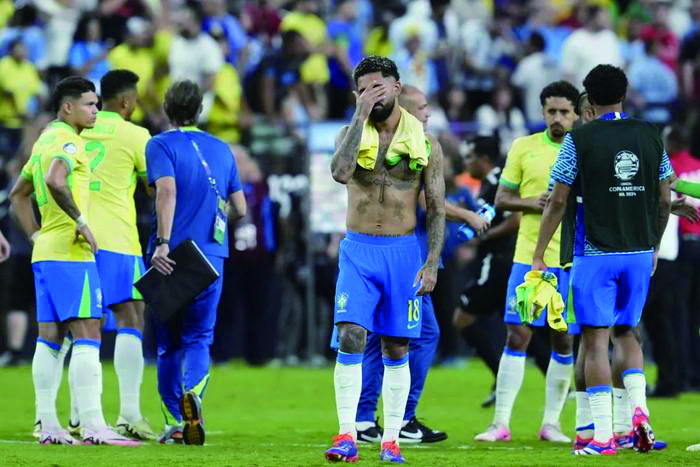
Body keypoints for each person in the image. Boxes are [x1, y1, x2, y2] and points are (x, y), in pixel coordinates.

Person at [533, 64, 673, 456]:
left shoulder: (578, 139)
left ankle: (603, 436)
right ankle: (639, 412)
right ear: (624, 94)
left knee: (594, 341)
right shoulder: (651, 134)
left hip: (595, 252)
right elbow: (664, 198)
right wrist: (654, 244)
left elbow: (558, 200)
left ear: (589, 100)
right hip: (639, 252)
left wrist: (539, 253)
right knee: (627, 333)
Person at [324, 56, 445, 464]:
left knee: (396, 346)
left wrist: (432, 261)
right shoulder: (349, 134)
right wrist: (359, 115)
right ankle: (347, 434)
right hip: (358, 250)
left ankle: (391, 439)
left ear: (397, 87)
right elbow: (340, 173)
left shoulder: (425, 143)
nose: (372, 95)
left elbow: (437, 207)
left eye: (378, 87)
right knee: (351, 335)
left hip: (402, 252)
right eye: (364, 89)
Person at [354, 85, 488, 445]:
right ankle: (402, 417)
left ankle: (365, 418)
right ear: (406, 110)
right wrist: (468, 216)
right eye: (423, 106)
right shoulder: (410, 144)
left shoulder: (401, 142)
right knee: (423, 333)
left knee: (379, 338)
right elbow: (430, 203)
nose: (428, 113)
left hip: (392, 254)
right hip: (404, 258)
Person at [9, 76, 139, 446]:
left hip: (45, 251)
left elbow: (18, 193)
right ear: (68, 107)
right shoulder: (69, 140)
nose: (97, 110)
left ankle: (49, 425)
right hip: (70, 251)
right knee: (88, 332)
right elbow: (55, 179)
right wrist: (81, 222)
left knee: (49, 338)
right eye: (90, 104)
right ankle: (94, 425)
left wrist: (35, 234)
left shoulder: (43, 140)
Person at [474, 81, 580, 443]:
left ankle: (552, 424)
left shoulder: (584, 149)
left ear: (576, 114)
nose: (557, 118)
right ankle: (500, 423)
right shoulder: (524, 146)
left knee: (564, 340)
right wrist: (531, 202)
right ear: (543, 112)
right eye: (551, 111)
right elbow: (502, 198)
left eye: (564, 111)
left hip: (570, 259)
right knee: (518, 334)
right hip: (528, 258)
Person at [147, 80, 246, 445]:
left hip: (171, 257)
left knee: (168, 344)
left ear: (167, 109)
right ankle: (195, 396)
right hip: (211, 256)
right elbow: (240, 208)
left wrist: (162, 242)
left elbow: (166, 190)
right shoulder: (222, 148)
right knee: (200, 337)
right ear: (200, 110)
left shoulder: (160, 144)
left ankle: (175, 421)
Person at [79, 69, 154, 440]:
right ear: (126, 101)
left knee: (75, 325)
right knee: (132, 317)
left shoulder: (79, 129)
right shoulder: (135, 134)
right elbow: (154, 186)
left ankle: (74, 416)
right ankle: (129, 414)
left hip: (77, 238)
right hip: (118, 239)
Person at [452, 135, 519, 407]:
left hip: (498, 261)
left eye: (470, 157)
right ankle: (565, 386)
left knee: (462, 319)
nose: (466, 162)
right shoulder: (489, 182)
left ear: (484, 159)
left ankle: (500, 377)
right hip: (503, 260)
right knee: (519, 327)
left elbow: (515, 220)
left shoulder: (499, 182)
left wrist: (484, 236)